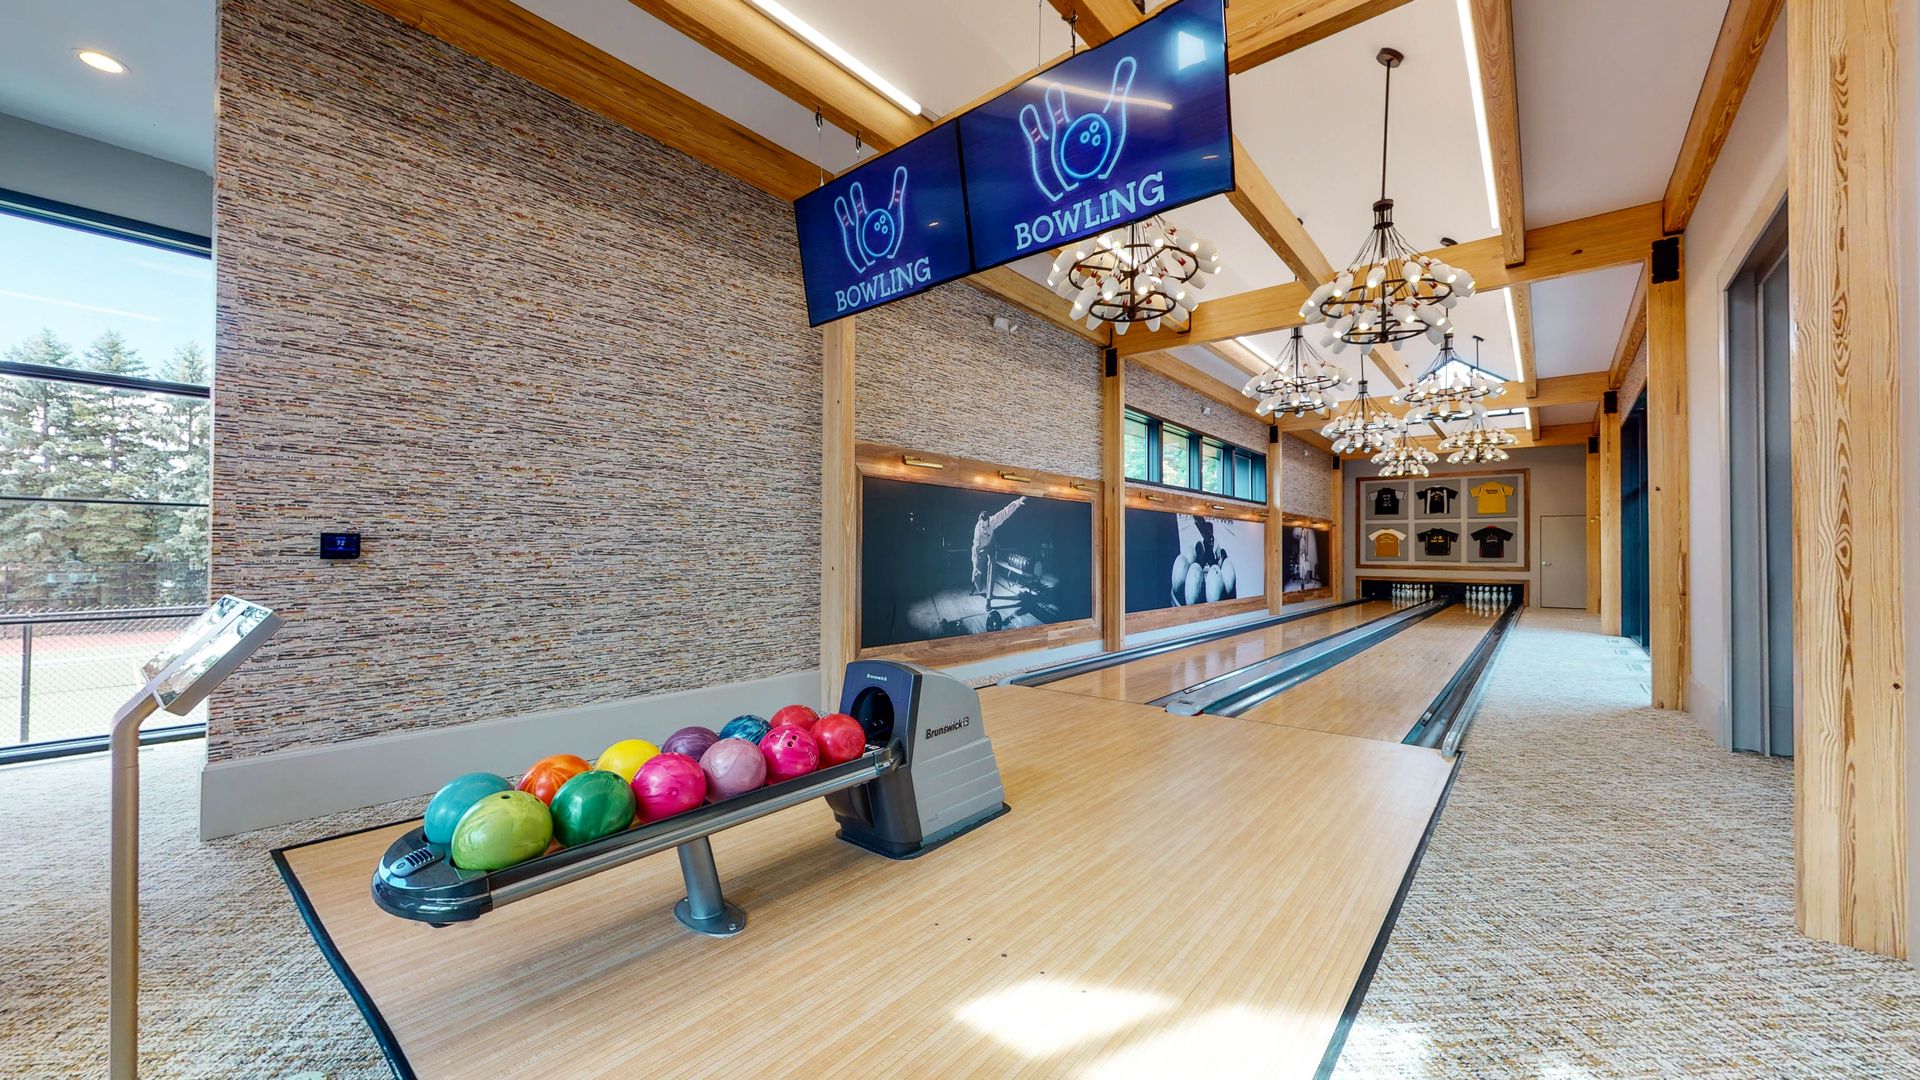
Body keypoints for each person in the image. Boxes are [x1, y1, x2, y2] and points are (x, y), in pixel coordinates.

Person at [972, 497, 1027, 597]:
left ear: (989, 520)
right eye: (982, 526)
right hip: (980, 547)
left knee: (992, 566)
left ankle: (989, 595)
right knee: (977, 571)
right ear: (979, 523)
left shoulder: (993, 520)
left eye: (986, 525)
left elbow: (1005, 512)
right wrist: (975, 567)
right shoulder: (977, 532)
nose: (984, 528)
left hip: (991, 544)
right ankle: (976, 585)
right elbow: (975, 552)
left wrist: (1018, 502)